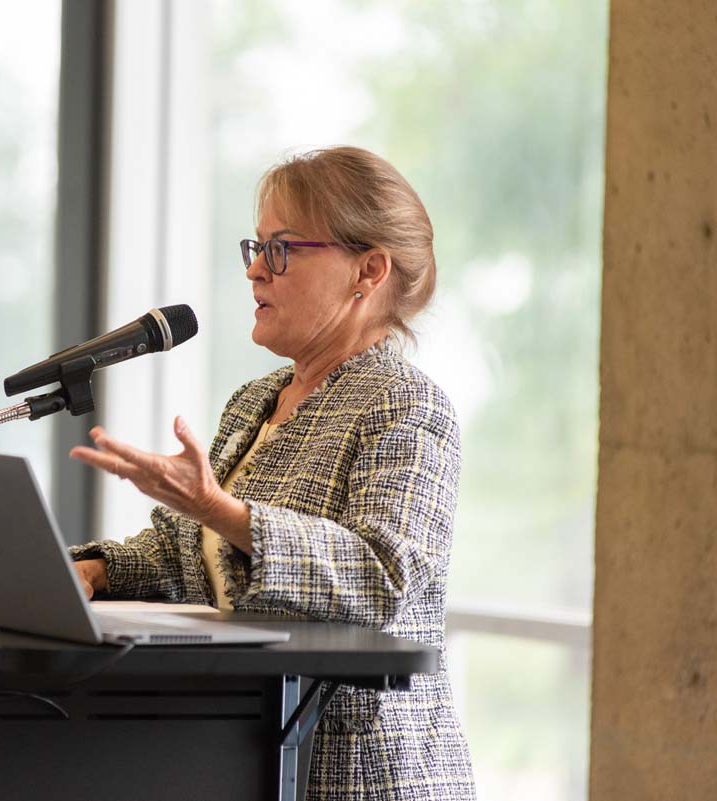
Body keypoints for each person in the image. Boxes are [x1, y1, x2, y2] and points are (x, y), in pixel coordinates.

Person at [67, 146, 477, 801]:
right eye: (254, 248)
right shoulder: (255, 401)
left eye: (281, 249)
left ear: (368, 270)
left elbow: (384, 577)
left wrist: (219, 509)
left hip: (357, 777)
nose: (256, 270)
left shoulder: (406, 405)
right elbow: (187, 556)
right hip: (245, 761)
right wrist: (94, 571)